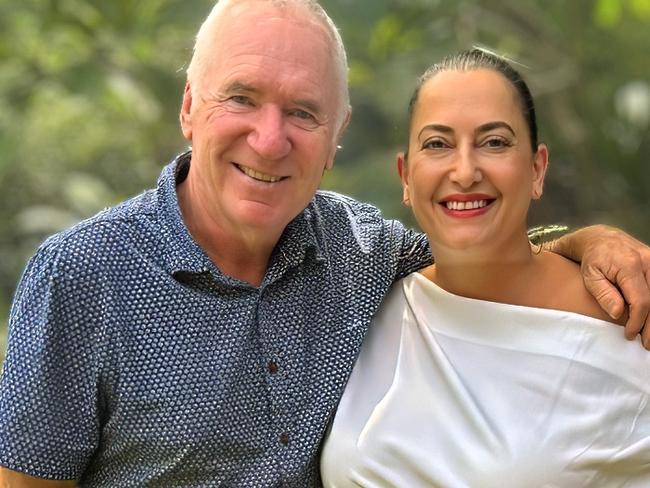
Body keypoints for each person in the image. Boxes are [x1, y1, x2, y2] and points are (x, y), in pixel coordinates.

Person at [0, 1, 648, 486]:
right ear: (189, 107)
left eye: (304, 113)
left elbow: (481, 240)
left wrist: (591, 241)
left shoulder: (362, 253)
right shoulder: (82, 277)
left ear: (336, 137)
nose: (270, 138)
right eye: (242, 98)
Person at [321, 49, 650, 487]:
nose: (464, 170)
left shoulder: (625, 317)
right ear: (405, 176)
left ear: (537, 169)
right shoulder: (364, 299)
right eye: (437, 144)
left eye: (494, 142)